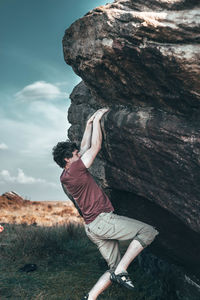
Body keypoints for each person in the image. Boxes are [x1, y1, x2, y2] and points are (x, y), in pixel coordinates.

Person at [52, 108, 159, 300]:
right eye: (75, 155)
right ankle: (122, 270)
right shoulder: (76, 169)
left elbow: (83, 149)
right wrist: (100, 121)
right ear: (68, 159)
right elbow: (94, 148)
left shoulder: (65, 175)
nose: (79, 155)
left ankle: (90, 297)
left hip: (92, 228)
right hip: (102, 221)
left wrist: (89, 124)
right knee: (148, 232)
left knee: (113, 267)